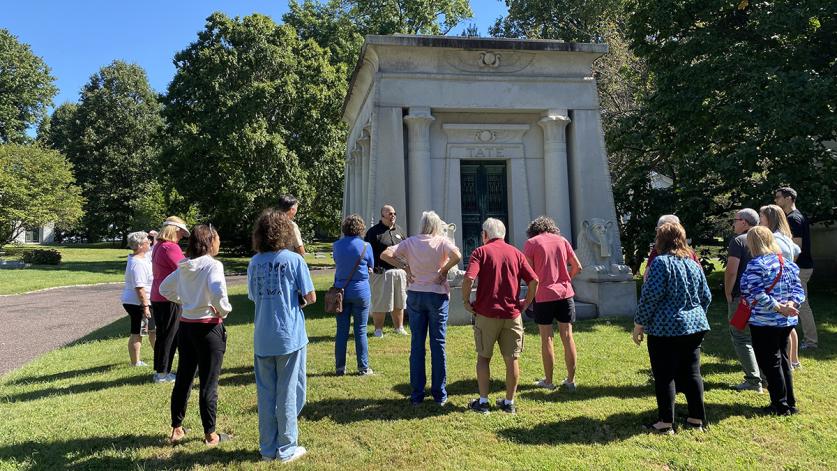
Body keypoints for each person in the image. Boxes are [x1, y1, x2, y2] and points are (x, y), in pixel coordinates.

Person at [248, 209, 316, 463]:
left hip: (263, 335)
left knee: (266, 394)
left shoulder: (254, 262)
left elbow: (254, 296)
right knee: (289, 392)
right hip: (289, 334)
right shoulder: (294, 260)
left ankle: (267, 448)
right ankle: (287, 447)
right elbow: (310, 296)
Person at [633, 222, 711, 434]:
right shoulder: (694, 264)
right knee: (693, 373)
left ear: (660, 240)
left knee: (664, 374)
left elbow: (650, 297)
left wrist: (639, 324)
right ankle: (696, 419)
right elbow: (706, 296)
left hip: (666, 328)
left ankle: (665, 422)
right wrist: (696, 315)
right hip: (695, 326)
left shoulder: (660, 263)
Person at [160, 224, 232, 446]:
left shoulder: (185, 265)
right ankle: (211, 434)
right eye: (217, 238)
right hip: (208, 328)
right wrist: (223, 309)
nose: (219, 242)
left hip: (187, 327)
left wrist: (186, 301)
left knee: (184, 378)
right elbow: (218, 290)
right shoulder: (212, 265)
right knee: (209, 382)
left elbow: (164, 288)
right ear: (210, 242)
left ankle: (177, 429)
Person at [381, 210, 461, 406]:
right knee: (438, 344)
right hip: (437, 294)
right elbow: (457, 255)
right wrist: (443, 271)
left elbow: (385, 254)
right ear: (436, 226)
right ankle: (439, 393)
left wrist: (405, 267)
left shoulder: (411, 242)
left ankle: (417, 393)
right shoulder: (441, 241)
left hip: (416, 293)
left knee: (417, 344)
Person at [462, 218, 539, 414]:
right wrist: (526, 303)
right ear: (503, 234)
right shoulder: (516, 253)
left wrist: (465, 301)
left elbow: (469, 277)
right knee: (512, 359)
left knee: (483, 358)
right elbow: (534, 280)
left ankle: (484, 401)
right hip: (512, 314)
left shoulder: (480, 252)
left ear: (485, 235)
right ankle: (508, 402)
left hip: (486, 314)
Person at [741, 226, 805, 416]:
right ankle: (789, 402)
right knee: (783, 361)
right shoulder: (787, 263)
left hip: (764, 321)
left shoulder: (756, 265)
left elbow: (755, 292)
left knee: (770, 363)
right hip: (785, 323)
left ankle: (780, 405)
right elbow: (798, 291)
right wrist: (790, 305)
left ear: (752, 243)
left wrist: (780, 308)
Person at [523, 216, 581, 392]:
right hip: (565, 293)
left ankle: (548, 381)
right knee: (568, 336)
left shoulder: (531, 243)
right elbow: (577, 266)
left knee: (546, 337)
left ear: (533, 231)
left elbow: (530, 275)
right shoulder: (562, 240)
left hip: (543, 295)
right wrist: (565, 280)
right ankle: (570, 381)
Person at [723, 208, 764, 392]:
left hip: (742, 298)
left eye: (736, 219)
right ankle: (765, 377)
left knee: (740, 336)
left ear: (745, 222)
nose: (733, 223)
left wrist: (728, 292)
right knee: (760, 336)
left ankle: (753, 381)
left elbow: (732, 271)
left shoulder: (739, 241)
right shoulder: (765, 238)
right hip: (763, 298)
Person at [760, 204, 802, 369]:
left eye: (761, 216)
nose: (759, 219)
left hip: (777, 284)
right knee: (789, 323)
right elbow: (797, 251)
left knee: (783, 323)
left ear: (769, 219)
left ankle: (787, 362)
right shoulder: (785, 236)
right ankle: (793, 360)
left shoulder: (773, 238)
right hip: (788, 282)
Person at [774, 187, 817, 350]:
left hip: (800, 267)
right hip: (800, 267)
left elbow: (796, 248)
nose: (776, 200)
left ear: (789, 198)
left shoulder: (794, 219)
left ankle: (811, 341)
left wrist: (788, 269)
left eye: (778, 197)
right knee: (797, 302)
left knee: (802, 303)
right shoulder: (792, 217)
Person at [333, 214, 375, 375]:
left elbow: (338, 262)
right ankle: (363, 367)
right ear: (360, 229)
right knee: (361, 329)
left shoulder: (336, 245)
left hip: (341, 291)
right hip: (361, 290)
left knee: (342, 330)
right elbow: (371, 265)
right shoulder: (366, 246)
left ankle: (340, 367)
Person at [150, 216, 189, 383]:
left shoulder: (159, 246)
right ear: (175, 230)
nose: (181, 237)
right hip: (169, 297)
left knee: (163, 335)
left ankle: (160, 370)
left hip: (158, 295)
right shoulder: (170, 247)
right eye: (181, 233)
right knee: (170, 336)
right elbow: (185, 269)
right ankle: (163, 373)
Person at [365, 205, 409, 337]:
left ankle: (399, 328)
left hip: (399, 272)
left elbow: (406, 248)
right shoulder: (374, 232)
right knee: (380, 302)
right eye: (390, 214)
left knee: (399, 301)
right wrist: (368, 266)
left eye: (394, 213)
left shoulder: (399, 230)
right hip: (381, 272)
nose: (393, 216)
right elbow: (367, 251)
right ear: (382, 216)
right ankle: (378, 330)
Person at [121, 231, 155, 366]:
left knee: (152, 330)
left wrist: (155, 236)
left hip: (139, 302)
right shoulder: (138, 264)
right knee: (138, 332)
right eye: (147, 242)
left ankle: (161, 354)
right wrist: (145, 306)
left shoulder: (141, 257)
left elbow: (153, 250)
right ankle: (135, 362)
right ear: (140, 245)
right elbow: (139, 287)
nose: (150, 243)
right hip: (138, 303)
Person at [644, 215, 699, 280]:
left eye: (658, 229)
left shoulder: (658, 256)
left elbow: (647, 279)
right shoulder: (690, 253)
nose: (657, 233)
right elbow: (701, 279)